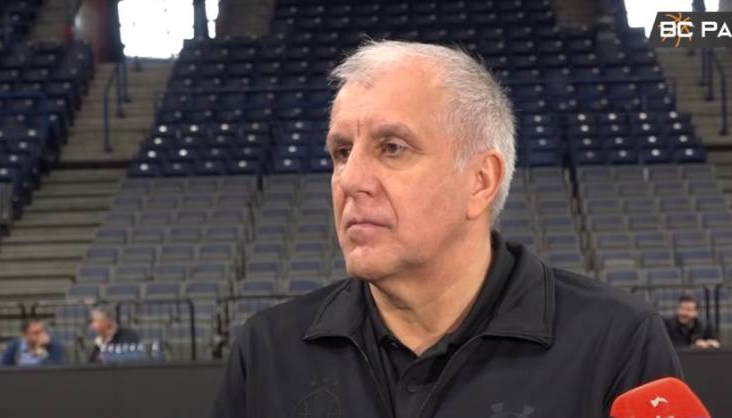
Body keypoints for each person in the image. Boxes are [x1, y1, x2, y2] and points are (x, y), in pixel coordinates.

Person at [212, 40, 682, 418]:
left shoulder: (618, 342)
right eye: (341, 152)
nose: (350, 180)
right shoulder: (269, 350)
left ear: (480, 181)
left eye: (392, 148)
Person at [0, 318, 64, 366]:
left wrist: (41, 348)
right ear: (24, 335)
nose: (41, 335)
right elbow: (2, 367)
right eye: (36, 333)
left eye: (42, 331)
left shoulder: (54, 345)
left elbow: (54, 370)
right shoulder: (15, 345)